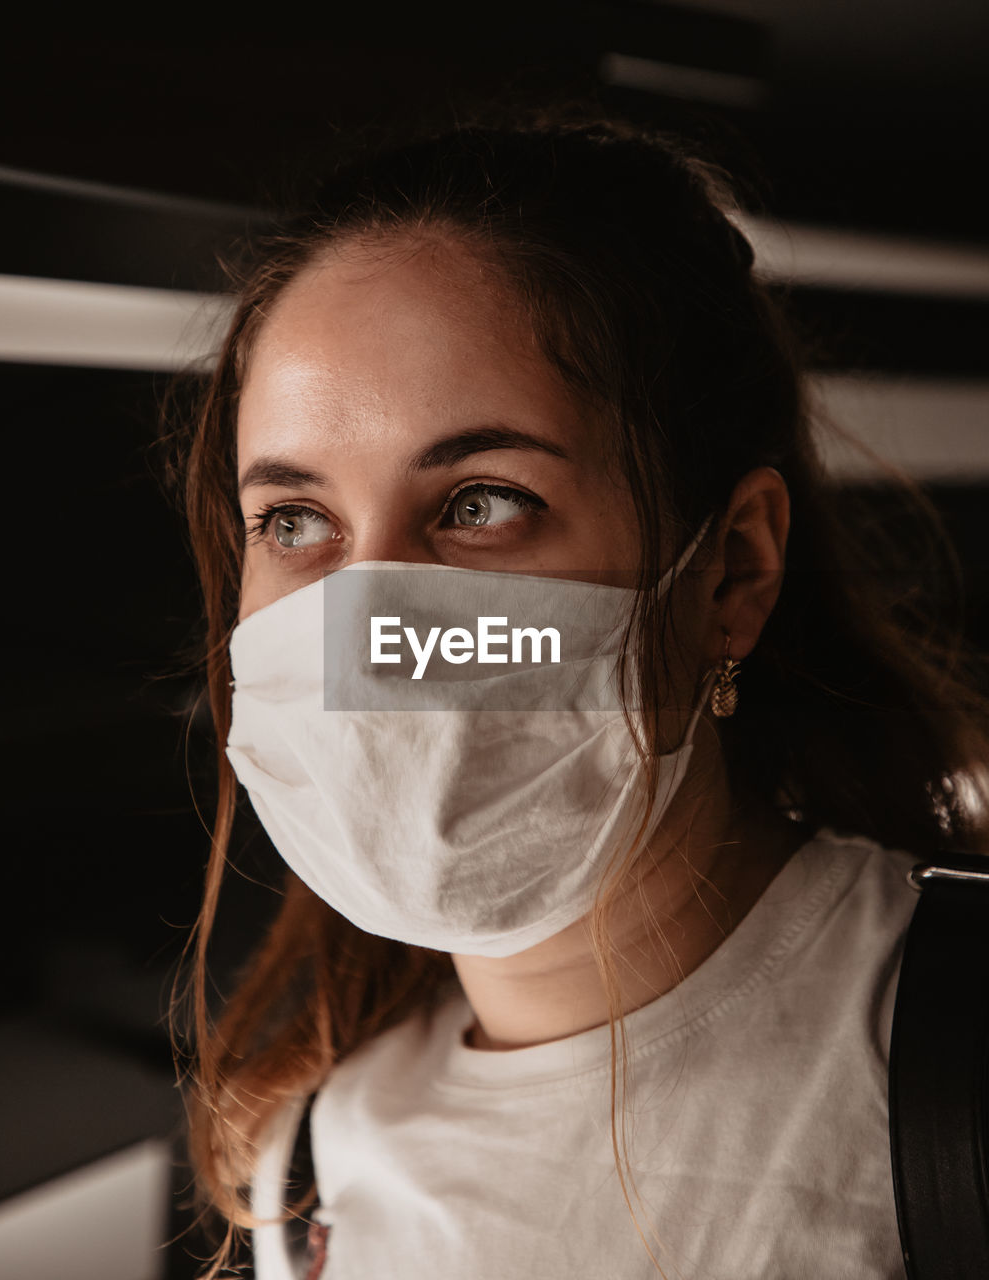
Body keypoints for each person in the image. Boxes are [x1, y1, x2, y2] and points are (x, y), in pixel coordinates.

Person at [172, 109, 989, 1280]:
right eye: (294, 521)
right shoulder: (297, 1168)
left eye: (480, 502)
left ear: (731, 573)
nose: (369, 633)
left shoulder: (946, 1065)